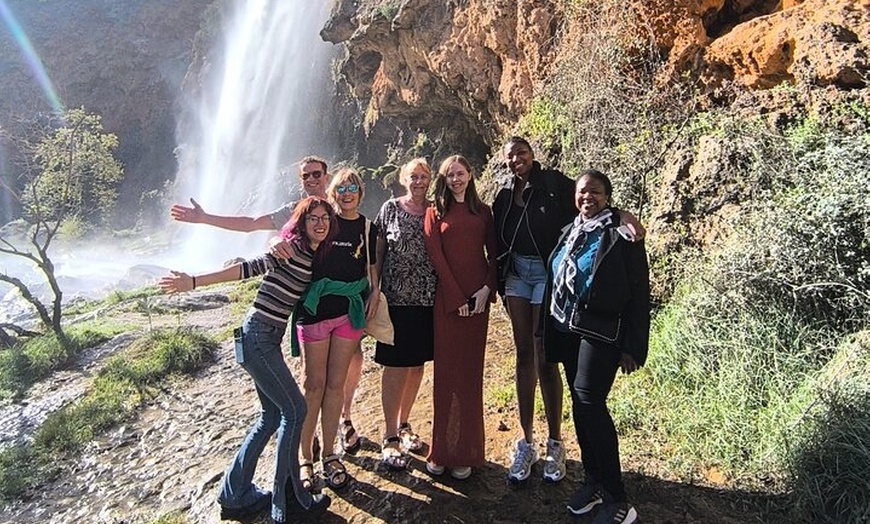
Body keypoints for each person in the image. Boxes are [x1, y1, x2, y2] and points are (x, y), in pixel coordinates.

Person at [157, 196, 334, 524]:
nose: (320, 223)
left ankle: (234, 494)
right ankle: (290, 499)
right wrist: (193, 282)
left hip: (264, 336)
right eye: (313, 218)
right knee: (295, 411)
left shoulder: (310, 252)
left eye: (325, 218)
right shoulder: (291, 248)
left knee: (270, 417)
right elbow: (247, 269)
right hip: (258, 337)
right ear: (302, 222)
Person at [492, 136, 645, 483]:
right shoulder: (503, 195)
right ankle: (526, 440)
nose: (517, 159)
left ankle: (555, 442)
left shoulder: (555, 183)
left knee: (546, 356)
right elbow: (494, 237)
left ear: (532, 154)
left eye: (522, 153)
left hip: (548, 275)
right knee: (523, 356)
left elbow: (589, 198)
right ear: (504, 162)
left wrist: (622, 213)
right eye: (510, 156)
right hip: (517, 275)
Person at [541, 169, 649, 524]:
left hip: (601, 331)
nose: (589, 197)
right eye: (583, 191)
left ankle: (618, 498)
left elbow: (639, 292)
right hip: (568, 328)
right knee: (580, 403)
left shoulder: (622, 235)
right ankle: (593, 480)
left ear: (608, 197)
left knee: (590, 401)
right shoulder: (570, 230)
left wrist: (633, 346)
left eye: (597, 193)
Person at [290, 168, 380, 491]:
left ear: (361, 190)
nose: (346, 192)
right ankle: (305, 459)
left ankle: (329, 454)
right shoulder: (321, 219)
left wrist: (375, 291)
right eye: (341, 186)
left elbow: (372, 267)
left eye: (352, 186)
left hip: (347, 314)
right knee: (312, 385)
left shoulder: (367, 227)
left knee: (335, 385)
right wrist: (276, 242)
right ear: (333, 191)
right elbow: (288, 237)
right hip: (315, 313)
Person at [423, 155, 496, 480]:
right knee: (446, 377)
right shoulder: (433, 213)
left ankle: (467, 451)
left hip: (478, 304)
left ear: (470, 175)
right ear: (444, 178)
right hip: (448, 305)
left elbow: (495, 256)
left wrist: (485, 290)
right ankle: (441, 450)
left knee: (470, 376)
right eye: (450, 174)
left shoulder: (484, 212)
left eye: (461, 173)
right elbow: (437, 259)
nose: (456, 179)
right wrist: (456, 300)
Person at [373, 158, 437, 470]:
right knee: (395, 366)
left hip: (427, 301)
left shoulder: (436, 209)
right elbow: (377, 253)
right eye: (413, 176)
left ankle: (404, 424)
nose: (418, 181)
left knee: (416, 365)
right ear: (403, 179)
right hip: (395, 300)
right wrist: (374, 289)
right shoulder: (389, 209)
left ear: (430, 179)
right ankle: (389, 436)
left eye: (423, 176)